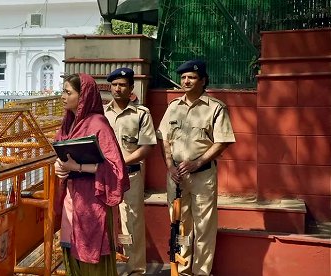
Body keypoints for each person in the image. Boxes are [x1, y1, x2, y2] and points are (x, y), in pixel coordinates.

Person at [156, 60, 235, 276]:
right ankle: (181, 270)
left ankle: (201, 272)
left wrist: (198, 162)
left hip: (202, 176)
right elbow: (164, 139)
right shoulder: (173, 107)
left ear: (203, 81)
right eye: (183, 77)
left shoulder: (215, 108)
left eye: (191, 77)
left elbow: (223, 140)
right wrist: (170, 166)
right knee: (179, 225)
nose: (186, 81)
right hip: (176, 178)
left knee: (204, 227)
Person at [54, 73, 130, 276]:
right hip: (72, 198)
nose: (62, 96)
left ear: (83, 96)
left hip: (93, 200)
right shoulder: (67, 123)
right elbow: (60, 153)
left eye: (67, 92)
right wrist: (59, 166)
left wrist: (76, 167)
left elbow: (115, 168)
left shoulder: (98, 124)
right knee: (71, 249)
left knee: (93, 257)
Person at [103, 68, 156, 276]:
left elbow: (147, 146)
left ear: (131, 88)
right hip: (104, 177)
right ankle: (110, 269)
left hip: (130, 175)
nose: (118, 88)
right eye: (114, 84)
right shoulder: (102, 114)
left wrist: (121, 162)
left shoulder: (141, 114)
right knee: (107, 222)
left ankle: (135, 269)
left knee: (131, 222)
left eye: (123, 84)